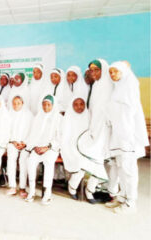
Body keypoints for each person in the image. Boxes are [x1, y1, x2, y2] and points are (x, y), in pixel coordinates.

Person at [105, 61, 149, 213]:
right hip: (119, 136)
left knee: (129, 170)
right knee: (120, 169)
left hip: (128, 137)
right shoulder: (119, 88)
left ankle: (131, 203)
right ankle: (122, 198)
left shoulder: (129, 87)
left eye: (115, 72)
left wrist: (127, 137)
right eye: (110, 72)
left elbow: (128, 116)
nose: (112, 75)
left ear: (123, 72)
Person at [77, 59, 113, 204]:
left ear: (103, 70)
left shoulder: (109, 85)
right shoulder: (97, 85)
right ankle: (92, 189)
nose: (93, 73)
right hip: (94, 129)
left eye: (96, 70)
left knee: (103, 160)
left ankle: (96, 189)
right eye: (91, 70)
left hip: (105, 129)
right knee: (96, 158)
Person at [60, 97, 108, 201]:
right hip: (71, 148)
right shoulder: (68, 118)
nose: (79, 107)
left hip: (86, 147)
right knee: (81, 164)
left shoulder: (88, 116)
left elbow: (93, 134)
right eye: (76, 104)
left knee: (98, 162)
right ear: (71, 106)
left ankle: (89, 190)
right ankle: (72, 187)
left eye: (81, 104)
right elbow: (64, 138)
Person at [25, 95, 61, 205]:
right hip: (37, 148)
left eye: (49, 105)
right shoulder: (38, 117)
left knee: (48, 162)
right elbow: (32, 135)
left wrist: (48, 147)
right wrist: (34, 147)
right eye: (44, 104)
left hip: (50, 148)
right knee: (30, 161)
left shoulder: (58, 118)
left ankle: (47, 192)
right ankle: (31, 191)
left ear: (53, 106)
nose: (46, 107)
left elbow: (60, 137)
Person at [6, 95, 33, 197]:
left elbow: (32, 132)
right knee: (11, 158)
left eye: (18, 103)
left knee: (23, 161)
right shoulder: (9, 114)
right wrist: (13, 141)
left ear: (22, 104)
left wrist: (24, 142)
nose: (16, 105)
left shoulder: (29, 115)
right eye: (14, 103)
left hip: (25, 144)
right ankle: (12, 186)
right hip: (12, 142)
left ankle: (22, 188)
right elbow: (6, 131)